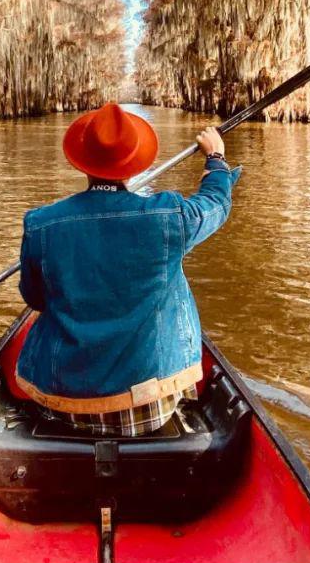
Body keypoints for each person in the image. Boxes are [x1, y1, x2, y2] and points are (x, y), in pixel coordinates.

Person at [14, 101, 241, 437]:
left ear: (82, 164)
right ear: (133, 167)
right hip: (150, 407)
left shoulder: (41, 224)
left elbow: (34, 298)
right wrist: (216, 160)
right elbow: (215, 204)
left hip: (65, 405)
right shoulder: (168, 216)